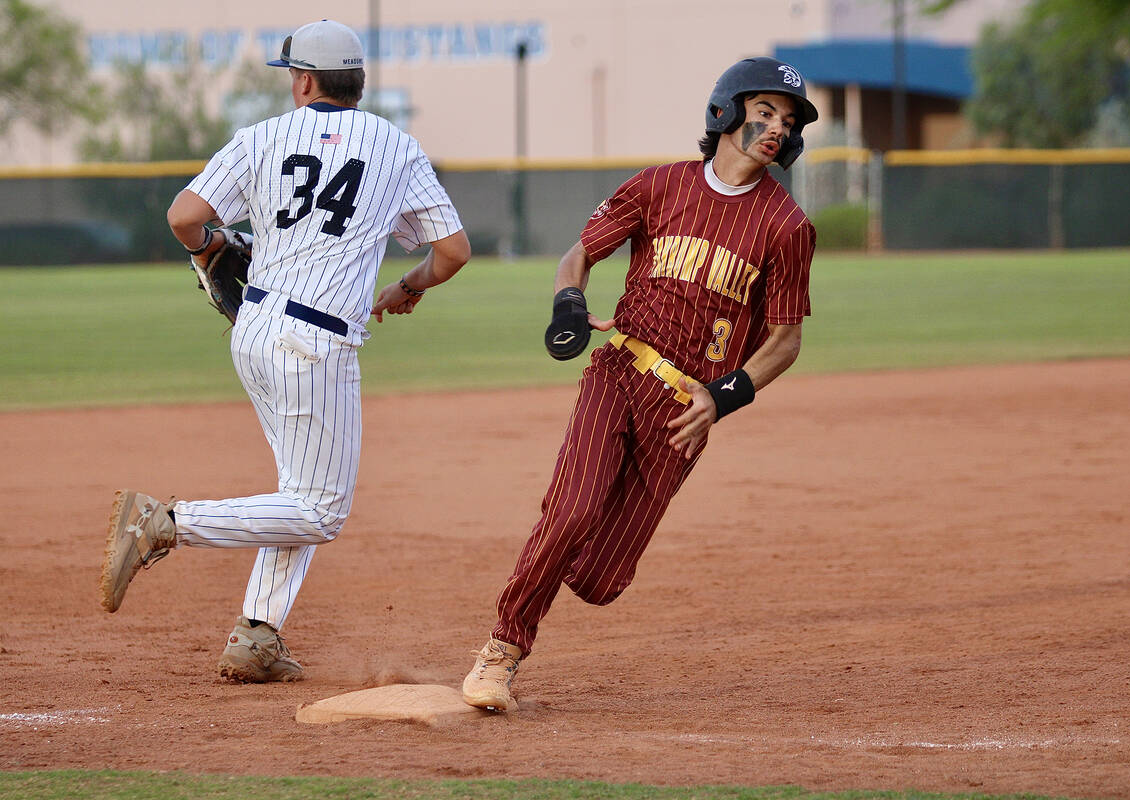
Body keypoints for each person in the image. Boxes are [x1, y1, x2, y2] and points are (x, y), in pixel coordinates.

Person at [99, 19, 471, 683]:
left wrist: (208, 249)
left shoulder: (263, 137)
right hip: (314, 344)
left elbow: (185, 216)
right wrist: (409, 286)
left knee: (297, 491)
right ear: (356, 81)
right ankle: (162, 524)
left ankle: (257, 635)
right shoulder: (395, 146)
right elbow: (451, 251)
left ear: (303, 80)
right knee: (319, 511)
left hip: (255, 328)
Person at [461, 56, 819, 711]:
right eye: (765, 111)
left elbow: (787, 339)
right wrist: (569, 299)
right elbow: (581, 252)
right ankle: (500, 653)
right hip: (621, 371)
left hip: (685, 411)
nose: (777, 127)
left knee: (600, 580)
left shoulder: (786, 227)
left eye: (788, 120)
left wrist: (723, 395)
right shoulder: (658, 186)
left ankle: (556, 544)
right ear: (727, 110)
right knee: (572, 511)